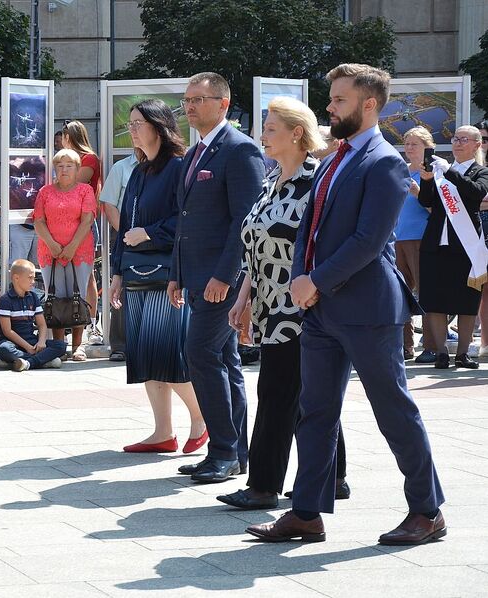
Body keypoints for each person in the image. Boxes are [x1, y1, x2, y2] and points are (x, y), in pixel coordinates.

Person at [248, 63, 445, 546]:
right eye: (331, 99)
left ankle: (427, 510)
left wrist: (314, 281)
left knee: (392, 410)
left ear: (369, 104)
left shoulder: (385, 162)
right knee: (314, 412)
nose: (330, 108)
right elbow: (308, 231)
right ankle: (306, 513)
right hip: (319, 310)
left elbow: (368, 240)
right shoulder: (334, 158)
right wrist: (300, 278)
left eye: (339, 100)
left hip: (367, 310)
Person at [218, 97, 349, 509]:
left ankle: (263, 486)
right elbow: (255, 250)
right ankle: (336, 476)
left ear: (297, 133)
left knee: (277, 391)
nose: (263, 134)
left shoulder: (318, 182)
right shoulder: (270, 180)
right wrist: (243, 299)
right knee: (309, 393)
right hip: (269, 306)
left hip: (305, 307)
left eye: (271, 128)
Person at [169, 72, 265, 483]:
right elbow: (185, 221)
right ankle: (231, 452)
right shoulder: (194, 154)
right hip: (194, 276)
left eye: (198, 100)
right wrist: (176, 274)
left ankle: (224, 450)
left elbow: (245, 221)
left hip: (221, 279)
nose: (189, 107)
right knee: (223, 360)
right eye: (187, 100)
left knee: (201, 355)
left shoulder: (240, 151)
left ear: (223, 104)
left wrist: (226, 275)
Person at [108, 99, 205, 454]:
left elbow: (187, 220)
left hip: (168, 274)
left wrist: (149, 233)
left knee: (166, 352)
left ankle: (201, 420)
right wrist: (117, 271)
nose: (131, 129)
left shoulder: (179, 167)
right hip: (134, 272)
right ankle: (162, 432)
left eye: (138, 123)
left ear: (159, 126)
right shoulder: (137, 171)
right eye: (130, 123)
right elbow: (124, 231)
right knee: (145, 355)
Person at [417, 125, 488, 369]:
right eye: (455, 138)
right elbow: (426, 201)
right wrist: (427, 181)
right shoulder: (439, 171)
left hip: (465, 245)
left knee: (466, 299)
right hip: (436, 242)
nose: (457, 143)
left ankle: (462, 354)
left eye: (464, 139)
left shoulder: (480, 171)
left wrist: (449, 172)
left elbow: (476, 192)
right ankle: (441, 353)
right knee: (434, 298)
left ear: (477, 145)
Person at [33, 149, 97, 361]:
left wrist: (71, 246)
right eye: (60, 166)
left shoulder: (85, 190)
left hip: (79, 251)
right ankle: (59, 345)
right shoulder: (45, 191)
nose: (64, 170)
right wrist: (52, 245)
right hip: (50, 252)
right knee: (56, 297)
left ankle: (78, 345)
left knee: (77, 295)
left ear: (77, 169)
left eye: (69, 165)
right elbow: (38, 221)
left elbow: (87, 220)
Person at [394, 127, 439, 363]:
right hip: (396, 238)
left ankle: (431, 346)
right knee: (399, 295)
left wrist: (418, 192)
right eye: (407, 143)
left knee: (426, 293)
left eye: (415, 144)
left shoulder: (433, 171)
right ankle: (404, 346)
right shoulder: (400, 170)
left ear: (427, 146)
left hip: (422, 238)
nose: (409, 148)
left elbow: (438, 210)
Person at [62, 120, 103, 345]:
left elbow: (73, 184)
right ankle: (71, 322)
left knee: (87, 277)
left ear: (71, 137)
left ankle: (92, 324)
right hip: (64, 223)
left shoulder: (89, 159)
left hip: (84, 222)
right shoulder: (68, 160)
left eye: (64, 137)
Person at [99, 150, 139, 362]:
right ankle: (120, 345)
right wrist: (124, 232)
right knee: (121, 287)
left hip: (154, 234)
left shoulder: (166, 166)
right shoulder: (121, 167)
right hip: (124, 234)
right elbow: (109, 203)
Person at [0, 259, 66, 371]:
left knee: (61, 346)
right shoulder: (5, 300)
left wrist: (41, 341)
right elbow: (7, 331)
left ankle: (28, 363)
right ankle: (42, 361)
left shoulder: (33, 297)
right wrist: (28, 348)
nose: (33, 281)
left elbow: (42, 324)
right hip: (12, 342)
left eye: (33, 278)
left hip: (31, 340)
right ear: (16, 278)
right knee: (4, 349)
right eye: (30, 278)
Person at [476, 119, 488, 360]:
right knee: (482, 288)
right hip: (476, 229)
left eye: (485, 139)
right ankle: (485, 341)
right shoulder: (469, 166)